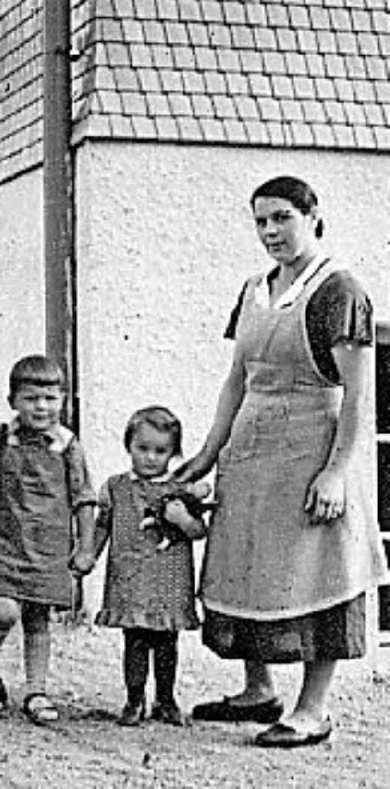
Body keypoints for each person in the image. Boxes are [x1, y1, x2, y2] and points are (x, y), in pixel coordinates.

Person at [174, 175, 388, 747]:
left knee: (318, 572)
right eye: (261, 221)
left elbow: (359, 396)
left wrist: (337, 471)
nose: (270, 231)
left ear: (313, 215)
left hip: (310, 454)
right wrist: (206, 454)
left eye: (282, 218)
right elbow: (236, 381)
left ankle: (313, 708)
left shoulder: (340, 290)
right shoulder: (253, 288)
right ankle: (257, 689)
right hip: (250, 458)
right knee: (247, 566)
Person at [0, 354, 96, 725]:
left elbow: (84, 497)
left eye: (50, 398)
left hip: (48, 548)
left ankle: (36, 690)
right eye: (31, 398)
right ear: (13, 400)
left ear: (62, 400)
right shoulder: (5, 437)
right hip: (7, 543)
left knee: (38, 619)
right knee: (4, 611)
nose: (41, 407)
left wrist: (86, 546)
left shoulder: (67, 445)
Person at [92, 406, 206, 727]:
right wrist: (89, 555)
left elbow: (199, 531)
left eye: (161, 451)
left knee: (167, 641)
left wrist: (182, 518)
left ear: (174, 452)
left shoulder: (181, 489)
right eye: (143, 448)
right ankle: (134, 698)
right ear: (129, 445)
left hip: (168, 579)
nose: (151, 458)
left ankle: (166, 699)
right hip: (131, 577)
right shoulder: (115, 487)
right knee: (136, 639)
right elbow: (103, 525)